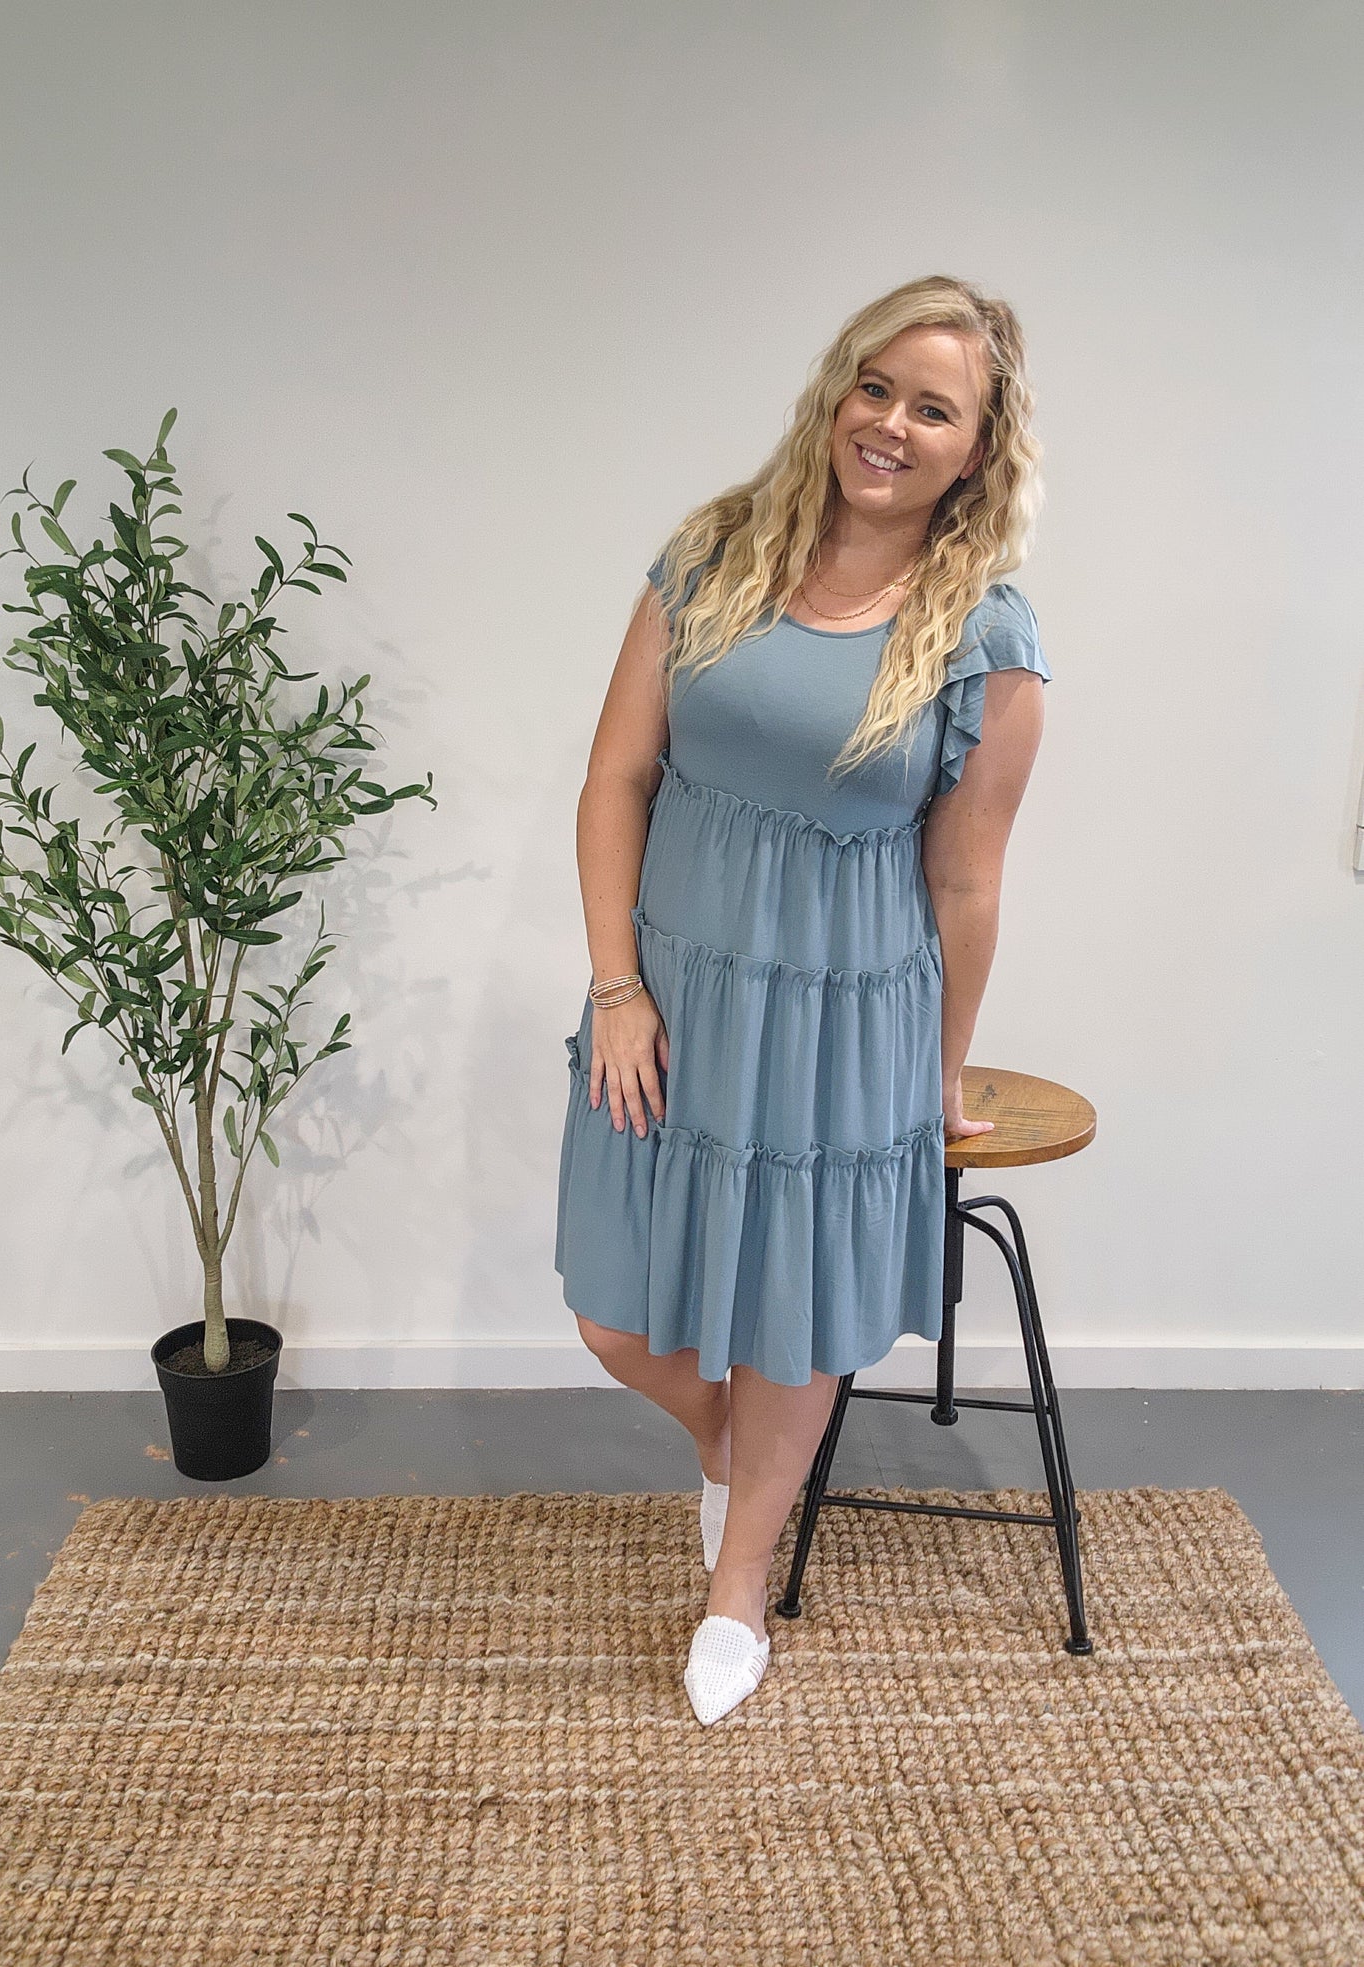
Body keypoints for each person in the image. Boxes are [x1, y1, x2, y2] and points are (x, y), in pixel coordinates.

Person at [554, 274, 1053, 1725]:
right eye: (874, 386)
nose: (890, 424)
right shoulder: (708, 556)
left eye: (932, 408)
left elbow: (964, 885)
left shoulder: (986, 639)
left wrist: (933, 1072)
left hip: (848, 1019)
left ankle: (737, 1588)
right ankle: (736, 1459)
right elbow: (614, 782)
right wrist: (615, 986)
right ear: (837, 390)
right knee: (609, 1310)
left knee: (792, 1317)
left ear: (976, 448)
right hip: (674, 994)